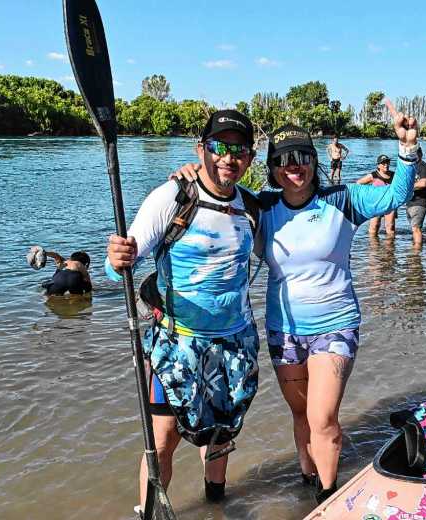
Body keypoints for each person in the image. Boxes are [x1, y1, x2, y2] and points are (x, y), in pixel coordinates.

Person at [169, 100, 419, 504]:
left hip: (335, 326)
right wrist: (191, 174)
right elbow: (217, 193)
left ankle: (327, 496)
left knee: (323, 418)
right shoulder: (262, 207)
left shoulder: (343, 199)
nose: (294, 166)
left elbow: (397, 196)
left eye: (302, 157)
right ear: (271, 168)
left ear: (314, 161)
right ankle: (307, 484)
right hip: (283, 330)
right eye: (283, 159)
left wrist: (407, 149)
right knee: (301, 415)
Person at [105, 110, 262, 510]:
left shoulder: (251, 206)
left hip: (234, 342)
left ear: (250, 157)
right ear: (200, 149)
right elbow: (119, 266)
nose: (228, 157)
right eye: (218, 146)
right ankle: (149, 514)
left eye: (239, 150)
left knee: (222, 435)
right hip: (176, 343)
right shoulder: (172, 197)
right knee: (161, 441)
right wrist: (115, 260)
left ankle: (216, 506)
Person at [356, 154, 397, 236]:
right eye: (383, 163)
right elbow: (358, 183)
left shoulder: (394, 175)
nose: (386, 165)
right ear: (378, 165)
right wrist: (367, 196)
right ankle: (373, 244)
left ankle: (390, 244)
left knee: (390, 228)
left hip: (390, 204)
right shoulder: (373, 176)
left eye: (387, 162)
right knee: (374, 227)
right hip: (376, 204)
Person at [407, 147, 426, 247]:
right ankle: (417, 247)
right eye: (412, 154)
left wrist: (408, 187)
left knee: (416, 228)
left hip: (420, 201)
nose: (414, 156)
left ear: (420, 154)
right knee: (415, 228)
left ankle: (416, 251)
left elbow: (423, 183)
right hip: (410, 202)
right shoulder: (410, 167)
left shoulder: (423, 166)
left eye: (416, 153)